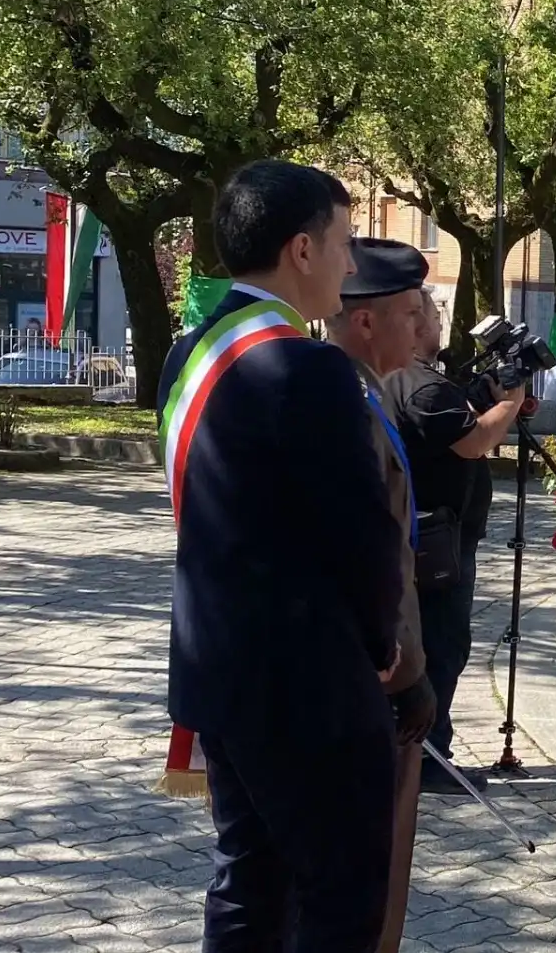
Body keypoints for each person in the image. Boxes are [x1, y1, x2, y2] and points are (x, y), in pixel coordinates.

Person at [157, 160, 404, 951]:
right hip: (308, 689)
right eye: (342, 243)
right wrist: (383, 644)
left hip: (217, 670)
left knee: (249, 881)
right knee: (337, 896)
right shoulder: (309, 369)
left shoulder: (188, 354)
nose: (351, 265)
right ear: (302, 249)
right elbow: (360, 533)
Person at [324, 238, 440, 953]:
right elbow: (373, 554)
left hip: (368, 669)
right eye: (410, 310)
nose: (422, 324)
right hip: (369, 677)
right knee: (367, 874)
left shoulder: (364, 392)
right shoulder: (348, 401)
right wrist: (409, 673)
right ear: (367, 321)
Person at [382, 293, 524, 796]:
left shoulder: (413, 380)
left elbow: (459, 424)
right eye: (436, 317)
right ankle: (431, 757)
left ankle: (419, 750)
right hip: (439, 543)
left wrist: (485, 399)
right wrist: (509, 403)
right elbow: (473, 441)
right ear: (417, 322)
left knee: (438, 641)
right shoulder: (422, 386)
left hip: (433, 533)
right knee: (443, 645)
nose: (441, 325)